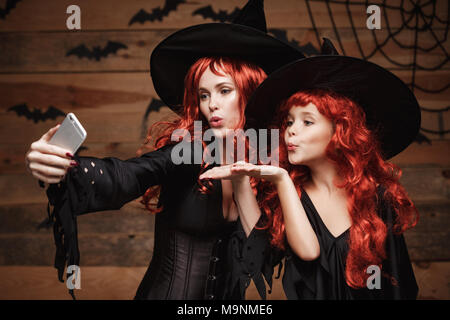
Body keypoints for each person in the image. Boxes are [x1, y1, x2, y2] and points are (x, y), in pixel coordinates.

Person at [24, 0, 304, 300]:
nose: (212, 104)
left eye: (224, 90)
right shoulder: (188, 152)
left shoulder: (269, 168)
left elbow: (264, 257)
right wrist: (66, 166)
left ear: (250, 93)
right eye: (204, 94)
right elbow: (129, 174)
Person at [200, 38, 420, 299]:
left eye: (307, 121)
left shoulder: (378, 197)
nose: (291, 130)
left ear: (340, 131)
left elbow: (402, 287)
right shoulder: (291, 194)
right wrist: (243, 177)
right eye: (289, 121)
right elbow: (270, 254)